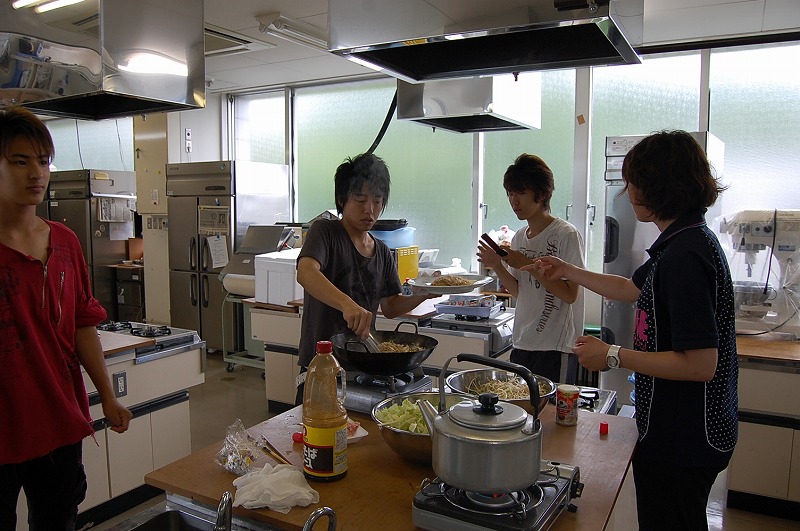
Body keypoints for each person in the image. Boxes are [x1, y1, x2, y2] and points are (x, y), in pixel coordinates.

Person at [529, 130, 738, 530]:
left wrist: (612, 354)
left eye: (632, 182)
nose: (626, 192)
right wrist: (568, 270)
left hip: (686, 438)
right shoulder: (681, 240)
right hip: (680, 431)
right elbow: (630, 289)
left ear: (658, 185)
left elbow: (700, 364)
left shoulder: (685, 255)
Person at [0, 106, 133, 530]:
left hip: (58, 420)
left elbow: (81, 325)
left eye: (43, 161)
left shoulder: (64, 242)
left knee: (58, 519)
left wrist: (106, 395)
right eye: (20, 161)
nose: (36, 173)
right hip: (3, 426)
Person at [295, 153, 435, 403]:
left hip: (364, 366)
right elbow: (306, 272)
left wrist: (425, 293)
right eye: (360, 200)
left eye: (378, 201)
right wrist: (347, 304)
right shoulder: (325, 232)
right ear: (341, 199)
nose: (370, 210)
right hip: (323, 364)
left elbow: (391, 307)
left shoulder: (381, 250)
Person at [477, 153, 584, 385]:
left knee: (552, 414)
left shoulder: (566, 234)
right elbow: (519, 292)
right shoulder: (518, 238)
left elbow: (570, 294)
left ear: (543, 194)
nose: (514, 201)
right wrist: (497, 265)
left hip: (555, 346)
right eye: (510, 194)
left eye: (521, 193)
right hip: (523, 342)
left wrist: (528, 264)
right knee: (524, 412)